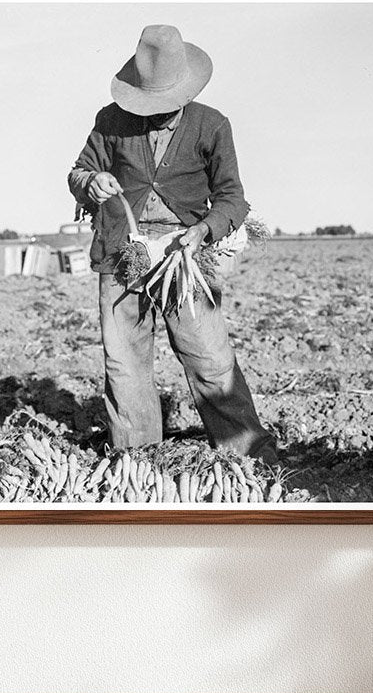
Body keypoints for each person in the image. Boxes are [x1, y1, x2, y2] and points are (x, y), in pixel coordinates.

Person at [68, 24, 276, 463]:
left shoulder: (212, 125)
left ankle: (248, 455)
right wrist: (93, 182)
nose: (159, 112)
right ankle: (138, 461)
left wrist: (203, 230)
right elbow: (80, 171)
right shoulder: (110, 120)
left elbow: (232, 197)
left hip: (186, 255)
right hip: (123, 252)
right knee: (124, 364)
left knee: (209, 356)